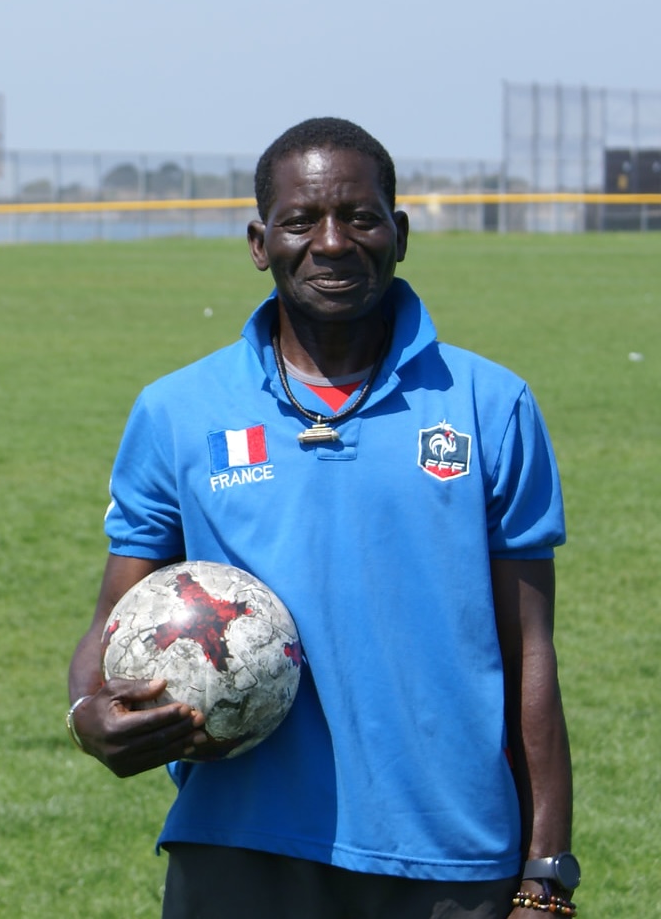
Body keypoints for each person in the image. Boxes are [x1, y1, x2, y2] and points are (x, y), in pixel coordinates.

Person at [68, 117, 577, 919]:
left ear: (399, 234)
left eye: (361, 217)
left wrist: (545, 871)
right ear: (259, 240)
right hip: (240, 844)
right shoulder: (176, 412)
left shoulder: (491, 406)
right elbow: (111, 620)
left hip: (448, 853)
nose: (333, 242)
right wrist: (87, 712)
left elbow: (531, 653)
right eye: (302, 220)